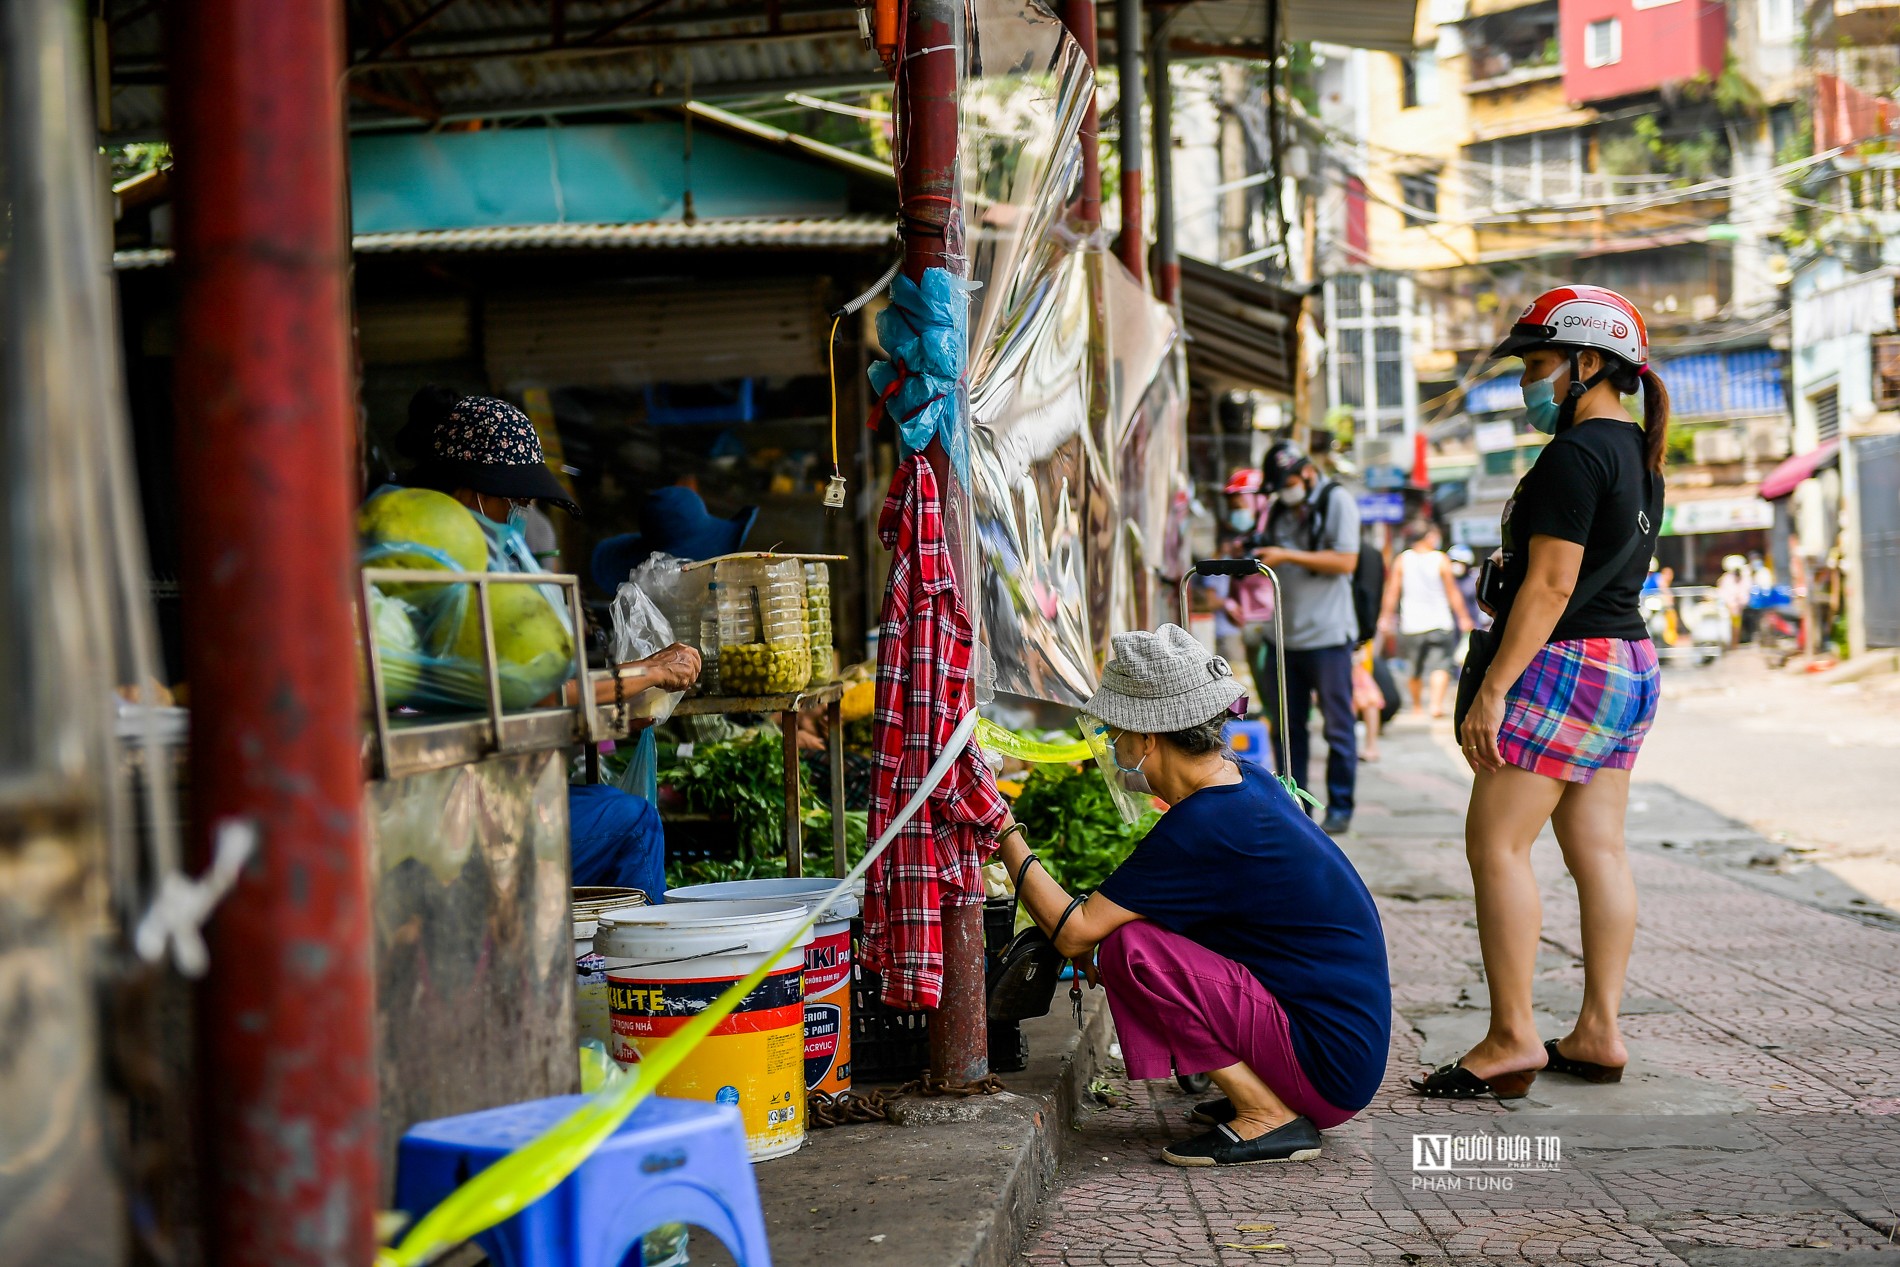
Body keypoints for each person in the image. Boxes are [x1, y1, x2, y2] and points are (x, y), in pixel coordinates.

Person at [990, 625, 1391, 1166]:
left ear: (1146, 739)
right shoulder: (1245, 784)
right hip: (1343, 1052)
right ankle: (1260, 1092)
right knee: (1133, 934)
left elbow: (1074, 933)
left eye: (1115, 733)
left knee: (1125, 950)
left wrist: (1004, 831)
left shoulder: (1208, 821)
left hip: (1325, 1066)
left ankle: (1266, 1114)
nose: (1112, 746)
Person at [1413, 284, 1667, 1100]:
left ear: (1589, 362)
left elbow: (1550, 585)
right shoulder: (1638, 454)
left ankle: (1512, 1034)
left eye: (1539, 362)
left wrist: (1494, 690)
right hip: (1628, 660)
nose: (1529, 379)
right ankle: (1598, 1029)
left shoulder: (1574, 454)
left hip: (1566, 660)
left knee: (1497, 845)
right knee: (1598, 847)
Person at [403, 395, 702, 897]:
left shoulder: (454, 566)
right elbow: (533, 695)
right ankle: (632, 973)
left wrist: (621, 716)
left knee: (604, 804)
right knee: (632, 822)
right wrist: (647, 673)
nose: (519, 514)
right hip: (452, 813)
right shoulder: (447, 580)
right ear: (467, 493)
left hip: (473, 790)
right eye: (512, 501)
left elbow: (513, 705)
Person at [1248, 442, 1363, 835]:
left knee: (1337, 726)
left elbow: (1346, 561)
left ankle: (1341, 806)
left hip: (1329, 637)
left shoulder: (1337, 501)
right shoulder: (1279, 508)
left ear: (1308, 472)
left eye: (1290, 481)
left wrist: (1287, 555)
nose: (1286, 489)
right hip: (1284, 637)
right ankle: (1298, 808)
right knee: (1287, 727)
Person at [1378, 520, 1472, 718]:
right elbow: (1452, 591)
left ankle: (1417, 706)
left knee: (1414, 667)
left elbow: (1392, 591)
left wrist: (1385, 617)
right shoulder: (1440, 559)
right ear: (1428, 537)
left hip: (1411, 623)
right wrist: (1463, 617)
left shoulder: (1403, 560)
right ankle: (1435, 705)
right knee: (1441, 665)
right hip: (1440, 621)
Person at [1217, 467, 1275, 704]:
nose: (1234, 510)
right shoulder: (1240, 540)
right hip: (1249, 627)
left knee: (1277, 693)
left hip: (1272, 626)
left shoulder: (1273, 535)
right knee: (1264, 693)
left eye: (1238, 502)